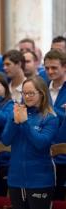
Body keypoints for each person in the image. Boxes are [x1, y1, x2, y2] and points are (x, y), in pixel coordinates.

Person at [2, 76, 59, 209]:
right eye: (24, 93)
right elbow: (5, 140)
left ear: (42, 93)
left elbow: (41, 143)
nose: (27, 96)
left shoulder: (50, 117)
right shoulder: (17, 113)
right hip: (16, 179)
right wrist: (15, 122)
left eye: (31, 93)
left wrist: (25, 123)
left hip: (40, 180)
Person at [44, 49, 66, 200]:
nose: (50, 71)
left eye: (54, 68)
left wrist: (51, 112)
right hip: (44, 153)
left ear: (64, 67)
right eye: (47, 68)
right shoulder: (41, 88)